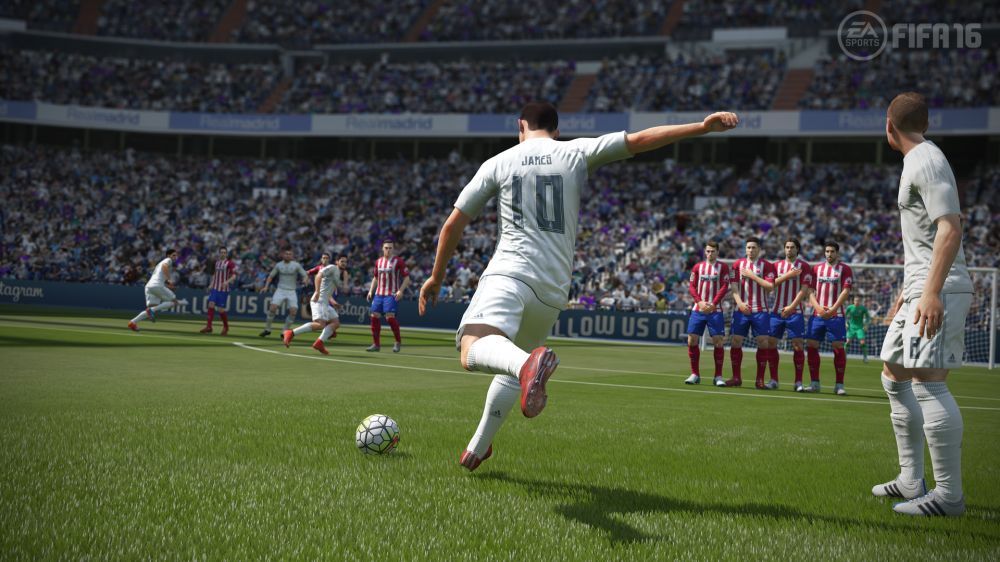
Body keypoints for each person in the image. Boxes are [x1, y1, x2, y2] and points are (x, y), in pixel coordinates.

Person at [417, 101, 739, 471]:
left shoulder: (498, 162)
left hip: (511, 271)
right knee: (511, 362)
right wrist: (702, 126)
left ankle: (528, 366)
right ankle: (479, 446)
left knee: (473, 349)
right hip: (553, 288)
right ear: (556, 130)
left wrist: (436, 277)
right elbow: (640, 140)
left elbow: (453, 224)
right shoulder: (575, 152)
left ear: (520, 126)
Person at [873, 92, 972, 517]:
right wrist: (907, 291)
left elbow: (950, 228)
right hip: (919, 288)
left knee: (928, 382)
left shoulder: (926, 161)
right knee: (894, 374)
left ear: (889, 127)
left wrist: (930, 292)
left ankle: (949, 497)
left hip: (939, 289)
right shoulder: (916, 160)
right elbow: (924, 240)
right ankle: (911, 478)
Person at [727, 237, 776, 389]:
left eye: (754, 247)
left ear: (759, 249)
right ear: (745, 249)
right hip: (741, 310)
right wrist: (740, 303)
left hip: (761, 310)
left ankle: (759, 380)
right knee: (736, 341)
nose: (751, 250)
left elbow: (770, 287)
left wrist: (752, 276)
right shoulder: (737, 264)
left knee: (763, 342)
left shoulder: (767, 265)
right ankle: (736, 378)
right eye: (748, 247)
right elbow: (734, 287)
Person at [805, 241, 853, 395]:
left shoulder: (845, 269)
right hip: (817, 315)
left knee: (838, 346)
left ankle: (839, 385)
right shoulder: (816, 269)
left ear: (837, 253)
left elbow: (845, 291)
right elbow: (809, 291)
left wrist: (833, 309)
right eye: (827, 251)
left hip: (836, 315)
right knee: (811, 344)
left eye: (832, 251)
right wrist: (818, 308)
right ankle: (814, 383)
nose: (829, 254)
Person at [768, 238, 814, 391]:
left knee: (798, 345)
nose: (789, 250)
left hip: (795, 312)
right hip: (776, 312)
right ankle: (773, 380)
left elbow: (804, 290)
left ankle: (798, 382)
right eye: (787, 247)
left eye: (792, 247)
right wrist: (788, 275)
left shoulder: (804, 266)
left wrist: (791, 307)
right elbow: (770, 285)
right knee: (771, 344)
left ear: (797, 249)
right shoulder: (776, 266)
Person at [684, 241, 730, 386]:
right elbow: (692, 286)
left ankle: (718, 376)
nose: (710, 253)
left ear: (717, 252)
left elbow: (724, 286)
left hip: (715, 310)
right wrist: (700, 302)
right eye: (708, 251)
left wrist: (713, 304)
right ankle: (695, 374)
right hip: (698, 309)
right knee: (691, 340)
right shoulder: (698, 267)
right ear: (705, 252)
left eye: (713, 251)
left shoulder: (723, 267)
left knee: (718, 341)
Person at [283, 253, 344, 355]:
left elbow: (327, 291)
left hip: (325, 302)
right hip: (319, 300)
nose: (344, 263)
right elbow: (318, 276)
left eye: (346, 262)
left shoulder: (337, 273)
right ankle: (291, 333)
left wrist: (333, 302)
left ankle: (319, 343)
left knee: (335, 322)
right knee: (320, 325)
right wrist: (317, 292)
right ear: (337, 262)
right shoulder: (332, 268)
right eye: (342, 261)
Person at [367, 240, 410, 353]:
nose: (388, 250)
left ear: (393, 249)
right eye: (386, 248)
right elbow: (375, 278)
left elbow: (407, 278)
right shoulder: (378, 261)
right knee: (374, 316)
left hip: (391, 294)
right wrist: (370, 291)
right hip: (378, 294)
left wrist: (400, 291)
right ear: (382, 248)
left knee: (390, 317)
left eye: (390, 248)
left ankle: (397, 341)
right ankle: (376, 344)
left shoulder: (398, 261)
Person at [127, 249, 187, 331]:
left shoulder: (160, 264)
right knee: (174, 302)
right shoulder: (168, 260)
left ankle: (132, 322)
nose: (175, 257)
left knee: (151, 309)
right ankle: (183, 302)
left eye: (176, 255)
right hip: (157, 285)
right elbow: (164, 267)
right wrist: (169, 280)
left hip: (149, 287)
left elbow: (159, 277)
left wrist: (167, 285)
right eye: (173, 255)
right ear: (168, 255)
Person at [259, 249, 308, 337]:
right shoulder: (279, 265)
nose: (288, 255)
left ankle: (284, 331)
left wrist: (305, 280)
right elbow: (270, 276)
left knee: (293, 312)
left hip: (291, 291)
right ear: (283, 255)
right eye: (286, 254)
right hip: (280, 290)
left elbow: (305, 274)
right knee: (272, 308)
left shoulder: (296, 265)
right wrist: (266, 286)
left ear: (292, 256)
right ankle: (267, 329)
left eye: (289, 254)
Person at [199, 246, 237, 336]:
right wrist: (211, 284)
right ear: (219, 253)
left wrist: (226, 282)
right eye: (221, 252)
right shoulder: (217, 263)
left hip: (223, 289)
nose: (223, 254)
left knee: (220, 309)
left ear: (226, 254)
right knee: (211, 304)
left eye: (224, 252)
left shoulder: (230, 263)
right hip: (215, 288)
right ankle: (209, 327)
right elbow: (215, 275)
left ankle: (226, 327)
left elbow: (234, 276)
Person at [845, 295, 871, 363]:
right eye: (856, 300)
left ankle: (865, 357)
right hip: (851, 327)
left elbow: (868, 317)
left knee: (862, 342)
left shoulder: (863, 308)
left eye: (858, 301)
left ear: (860, 301)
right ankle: (844, 356)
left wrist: (866, 325)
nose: (857, 302)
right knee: (847, 342)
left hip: (859, 328)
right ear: (853, 301)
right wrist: (846, 323)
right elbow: (844, 315)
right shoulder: (850, 307)